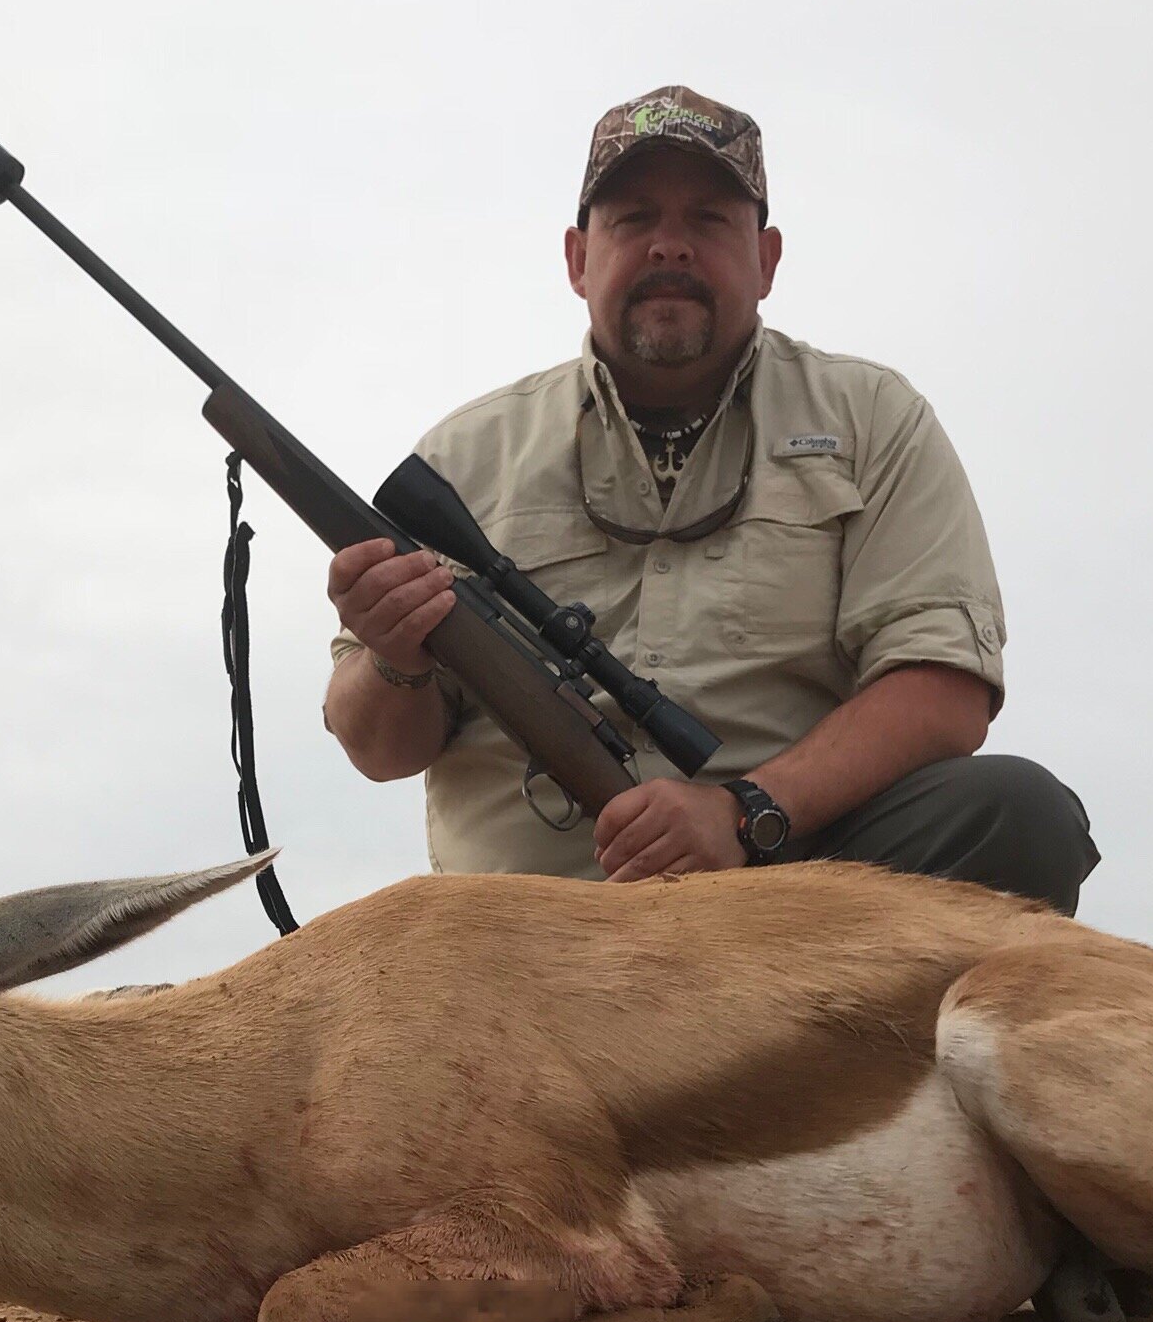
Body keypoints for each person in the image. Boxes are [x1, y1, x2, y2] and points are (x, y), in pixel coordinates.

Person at [322, 85, 1098, 912]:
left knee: (1020, 815)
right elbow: (377, 747)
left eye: (708, 221)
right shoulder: (459, 460)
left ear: (766, 259)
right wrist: (393, 659)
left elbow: (945, 692)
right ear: (578, 259)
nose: (671, 248)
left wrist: (745, 812)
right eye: (634, 219)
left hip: (786, 895)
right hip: (526, 931)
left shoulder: (873, 418)